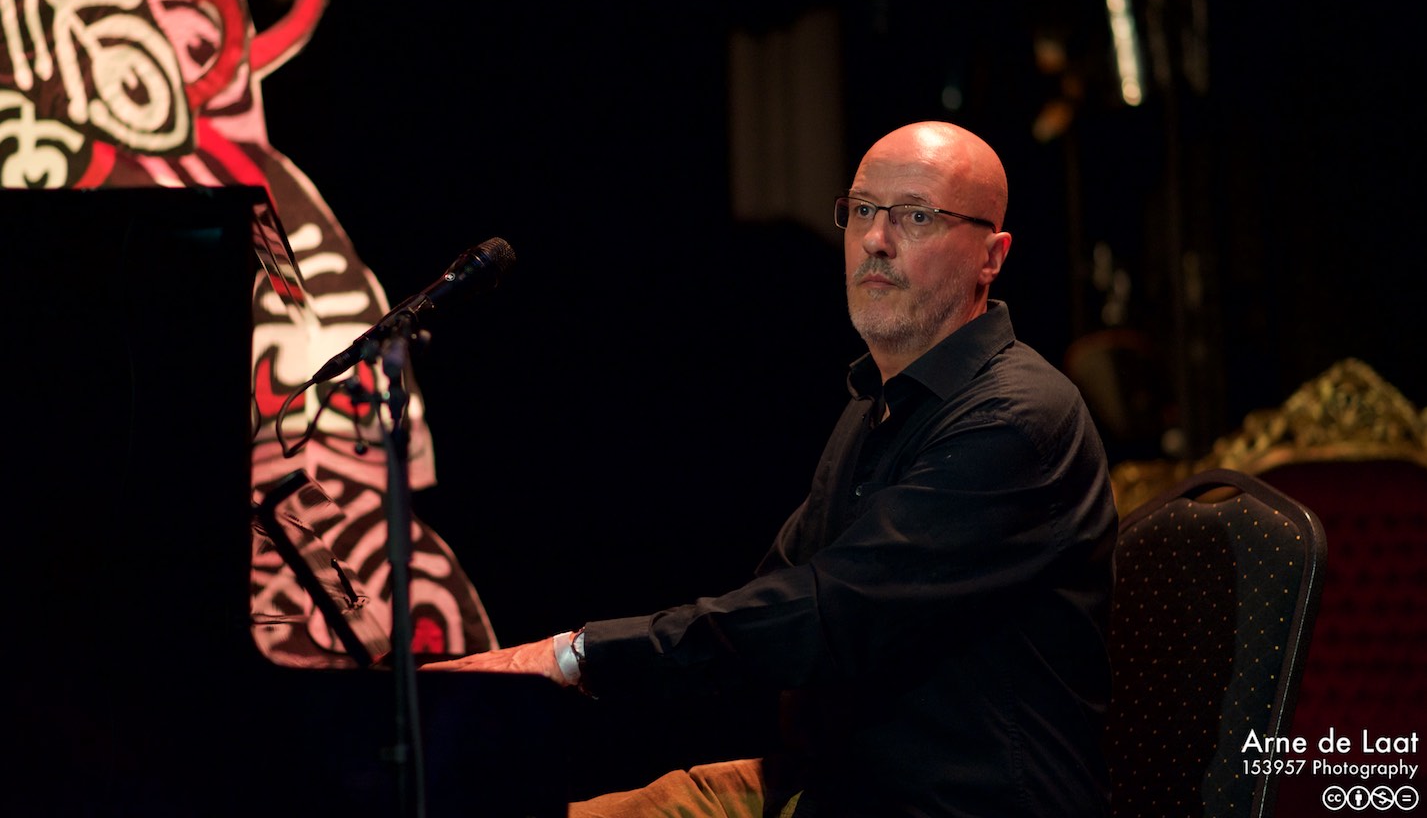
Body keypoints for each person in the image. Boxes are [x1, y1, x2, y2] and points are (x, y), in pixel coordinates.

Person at [426, 121, 1118, 817]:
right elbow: (769, 596)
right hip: (833, 783)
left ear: (991, 256)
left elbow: (824, 614)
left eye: (915, 216)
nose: (876, 240)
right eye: (863, 210)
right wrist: (562, 663)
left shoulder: (1015, 418)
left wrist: (575, 656)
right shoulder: (874, 404)